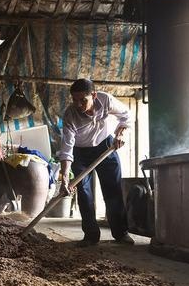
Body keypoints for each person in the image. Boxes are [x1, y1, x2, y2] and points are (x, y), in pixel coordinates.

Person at [56, 78, 134, 247]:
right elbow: (67, 148)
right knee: (84, 193)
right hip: (80, 153)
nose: (78, 104)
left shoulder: (106, 100)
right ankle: (91, 235)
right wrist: (65, 178)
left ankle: (121, 233)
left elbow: (126, 115)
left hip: (106, 146)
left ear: (94, 95)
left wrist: (121, 133)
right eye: (75, 100)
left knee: (113, 189)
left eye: (83, 100)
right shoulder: (70, 115)